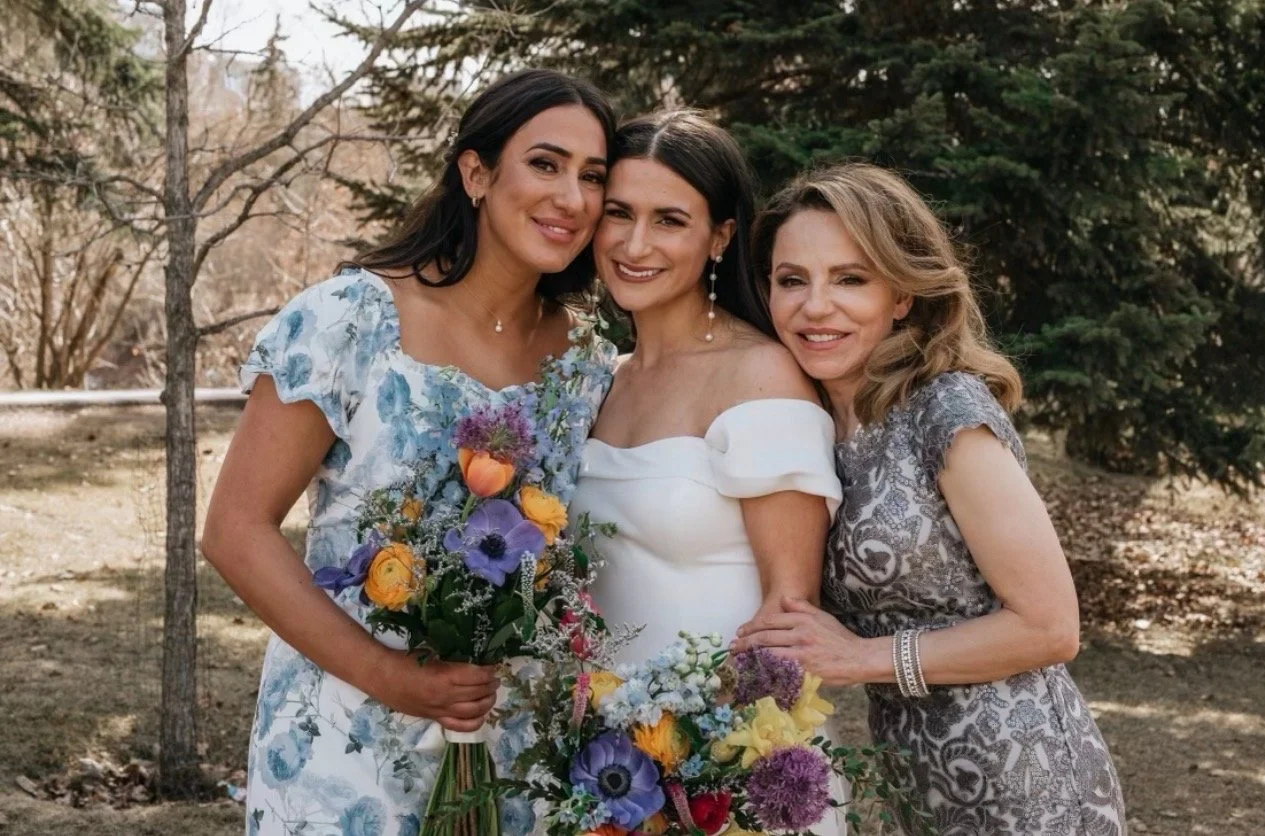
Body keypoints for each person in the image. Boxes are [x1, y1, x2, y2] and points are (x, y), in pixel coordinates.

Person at [201, 69, 617, 835]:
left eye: (593, 177)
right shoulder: (349, 319)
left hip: (514, 748)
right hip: (347, 739)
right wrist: (390, 677)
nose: (573, 198)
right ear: (476, 172)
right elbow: (234, 530)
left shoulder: (587, 360)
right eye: (546, 164)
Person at [732, 162, 1126, 834]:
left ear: (902, 296)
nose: (815, 306)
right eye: (792, 280)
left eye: (850, 279)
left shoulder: (946, 411)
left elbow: (1051, 625)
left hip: (1028, 783)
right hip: (918, 786)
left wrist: (862, 658)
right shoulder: (816, 428)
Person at [563, 109, 847, 836]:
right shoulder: (600, 380)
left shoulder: (762, 375)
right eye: (619, 214)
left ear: (720, 236)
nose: (634, 243)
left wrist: (712, 783)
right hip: (605, 766)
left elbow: (792, 620)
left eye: (670, 221)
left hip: (729, 772)